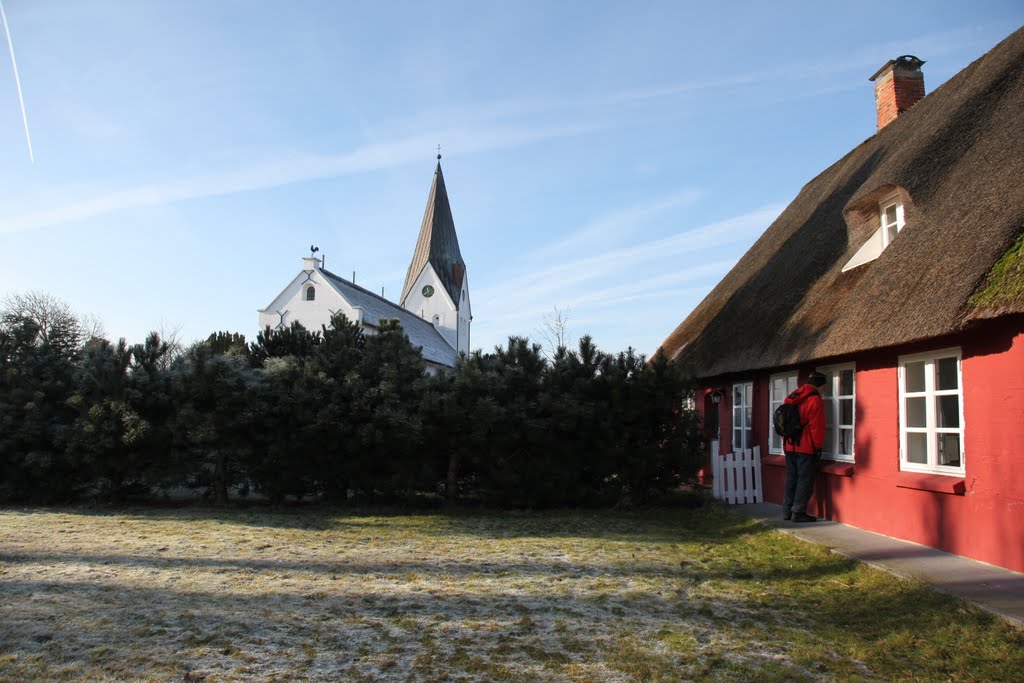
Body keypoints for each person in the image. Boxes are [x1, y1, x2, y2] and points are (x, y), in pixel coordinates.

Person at [782, 371, 827, 522]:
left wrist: (786, 439)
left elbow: (783, 421)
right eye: (824, 387)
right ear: (820, 385)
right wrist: (818, 447)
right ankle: (798, 512)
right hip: (806, 446)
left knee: (791, 478)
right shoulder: (814, 400)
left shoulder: (792, 396)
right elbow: (817, 427)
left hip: (789, 446)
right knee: (805, 480)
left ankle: (786, 511)